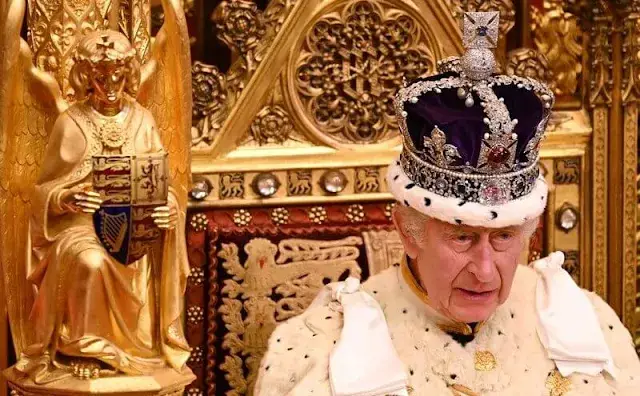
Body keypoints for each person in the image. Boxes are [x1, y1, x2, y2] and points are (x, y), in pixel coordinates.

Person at [253, 12, 640, 395]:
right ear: (409, 231)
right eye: (463, 238)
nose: (486, 272)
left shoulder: (586, 323)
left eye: (503, 236)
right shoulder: (324, 345)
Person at [16, 30, 191, 383]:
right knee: (91, 261)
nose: (109, 84)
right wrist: (66, 198)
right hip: (80, 228)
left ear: (128, 75)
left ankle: (140, 349)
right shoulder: (71, 122)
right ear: (85, 77)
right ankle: (85, 348)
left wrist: (168, 208)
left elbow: (162, 184)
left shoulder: (143, 119)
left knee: (135, 255)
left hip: (135, 227)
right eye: (100, 76)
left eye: (117, 74)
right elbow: (41, 192)